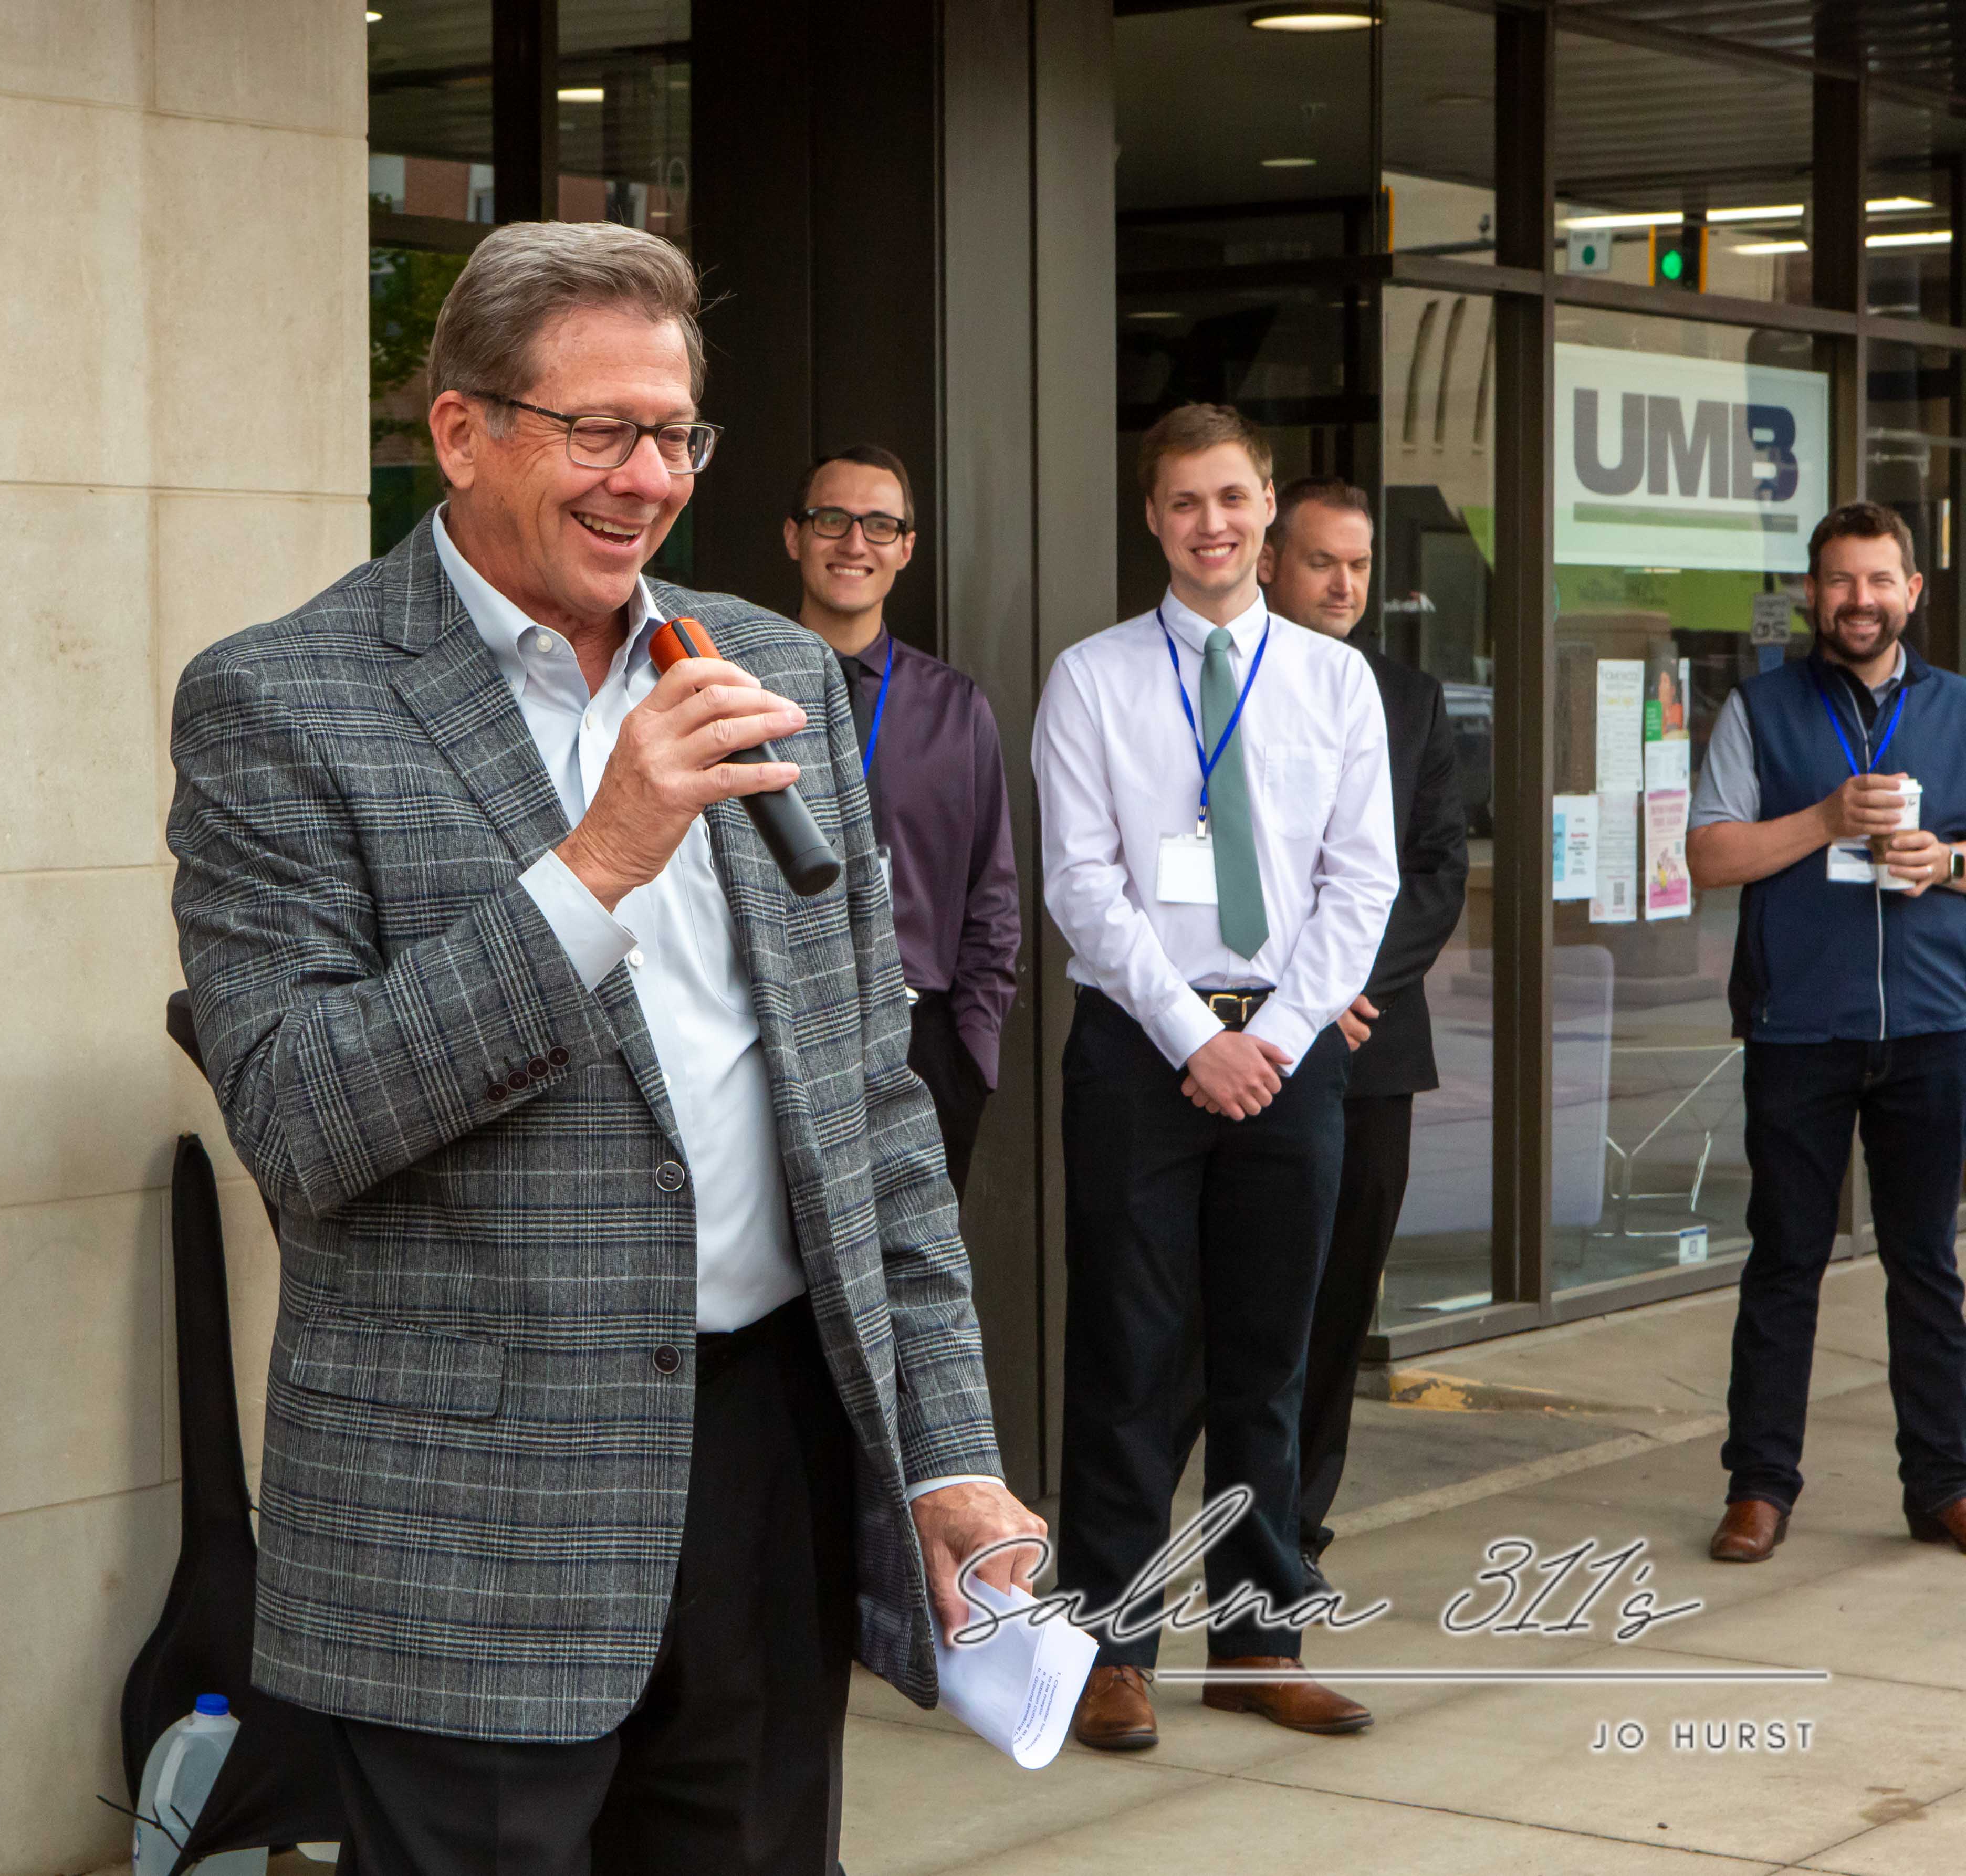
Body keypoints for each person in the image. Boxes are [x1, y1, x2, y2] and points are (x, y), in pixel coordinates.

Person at [168, 221, 1041, 1875]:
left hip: (767, 1467)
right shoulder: (283, 700)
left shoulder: (772, 669)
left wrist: (949, 1454)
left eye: (676, 434)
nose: (648, 479)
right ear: (462, 431)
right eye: (599, 431)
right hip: (471, 1518)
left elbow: (871, 1109)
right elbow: (296, 1110)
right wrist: (597, 862)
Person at [1032, 405, 1396, 1753]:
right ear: (1153, 517)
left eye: (1231, 497)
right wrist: (1196, 1037)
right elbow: (1080, 881)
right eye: (1184, 500)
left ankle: (1256, 1643)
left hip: (1288, 1052)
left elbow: (1361, 880)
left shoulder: (1333, 682)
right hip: (1141, 1047)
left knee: (1269, 1359)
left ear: (1266, 509)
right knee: (1125, 1356)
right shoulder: (1091, 678)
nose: (1211, 523)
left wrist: (1275, 1038)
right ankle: (1110, 1651)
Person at [1685, 499, 1966, 1563]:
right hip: (1797, 1027)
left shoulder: (1960, 708)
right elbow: (1709, 856)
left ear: (1913, 591)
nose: (1860, 599)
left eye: (1879, 579)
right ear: (1812, 593)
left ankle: (1943, 1483)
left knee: (1926, 1264)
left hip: (1935, 1025)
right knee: (1784, 1261)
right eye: (1840, 580)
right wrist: (1825, 820)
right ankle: (1759, 1487)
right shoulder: (1760, 709)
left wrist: (1949, 862)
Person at [1253, 478, 1469, 1579]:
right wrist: (1296, 988)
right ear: (1268, 564)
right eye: (1320, 561)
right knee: (1227, 1303)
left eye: (1359, 564)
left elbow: (1437, 870)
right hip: (1237, 1041)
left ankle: (1296, 1531)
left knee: (1339, 1301)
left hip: (1369, 1043)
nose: (1344, 584)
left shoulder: (1411, 699)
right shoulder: (1227, 684)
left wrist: (1340, 984)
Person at [781, 446, 1020, 1194]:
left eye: (880, 525)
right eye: (832, 519)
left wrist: (972, 1055)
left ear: (907, 547)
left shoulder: (957, 708)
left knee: (915, 1262)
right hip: (775, 1034)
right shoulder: (738, 691)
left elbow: (992, 896)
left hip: (923, 1044)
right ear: (794, 536)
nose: (855, 542)